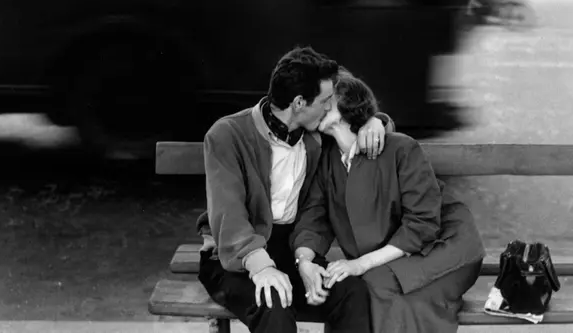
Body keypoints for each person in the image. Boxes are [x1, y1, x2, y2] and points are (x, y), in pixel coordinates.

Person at [196, 46, 395, 333]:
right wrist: (262, 268)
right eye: (326, 100)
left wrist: (376, 122)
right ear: (300, 102)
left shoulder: (315, 135)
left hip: (290, 248)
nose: (330, 108)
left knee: (351, 293)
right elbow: (229, 216)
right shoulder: (227, 135)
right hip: (235, 256)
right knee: (273, 302)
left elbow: (356, 112)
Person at [291, 70, 486, 333]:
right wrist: (305, 261)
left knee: (375, 286)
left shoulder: (400, 148)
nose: (321, 105)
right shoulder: (326, 159)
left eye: (328, 99)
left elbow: (422, 225)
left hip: (443, 246)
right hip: (389, 258)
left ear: (348, 105)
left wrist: (359, 263)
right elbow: (313, 219)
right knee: (362, 289)